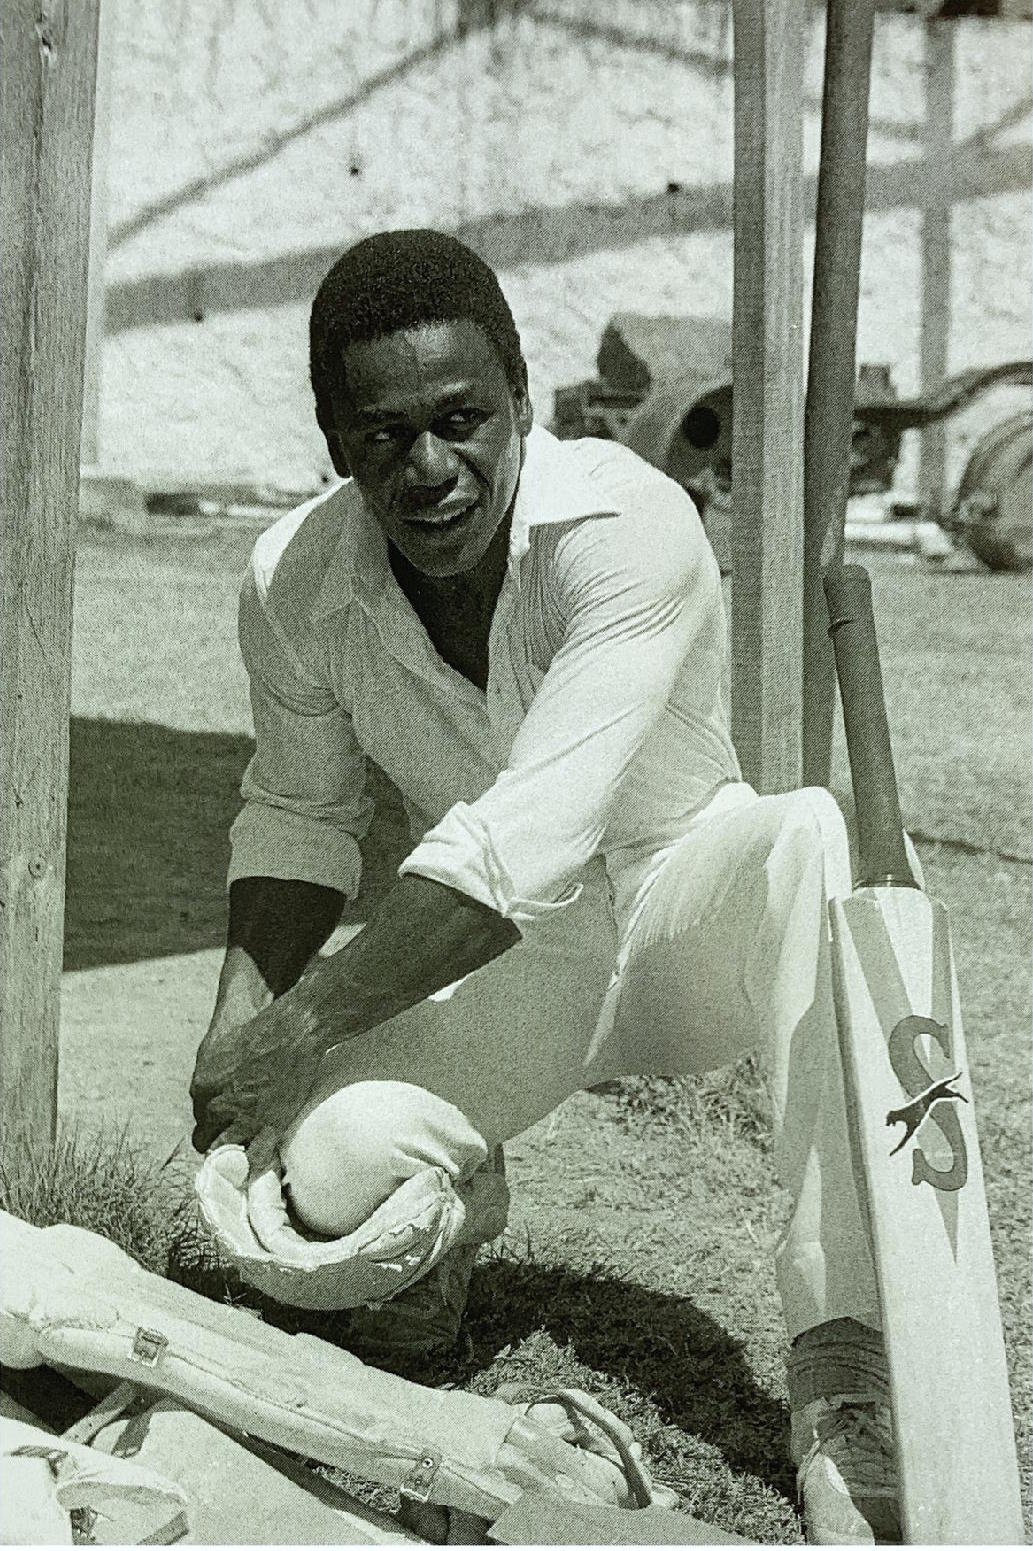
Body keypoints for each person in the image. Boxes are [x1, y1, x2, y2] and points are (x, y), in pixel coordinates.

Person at [190, 229, 901, 1544]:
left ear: (519, 400)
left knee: (806, 838)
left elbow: (526, 837)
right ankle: (452, 1210)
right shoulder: (291, 578)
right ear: (336, 444)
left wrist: (297, 1030)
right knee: (334, 1167)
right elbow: (299, 809)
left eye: (461, 420)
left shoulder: (627, 521)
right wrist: (240, 1016)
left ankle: (840, 1361)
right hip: (527, 966)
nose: (430, 470)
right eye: (383, 437)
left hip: (692, 909)